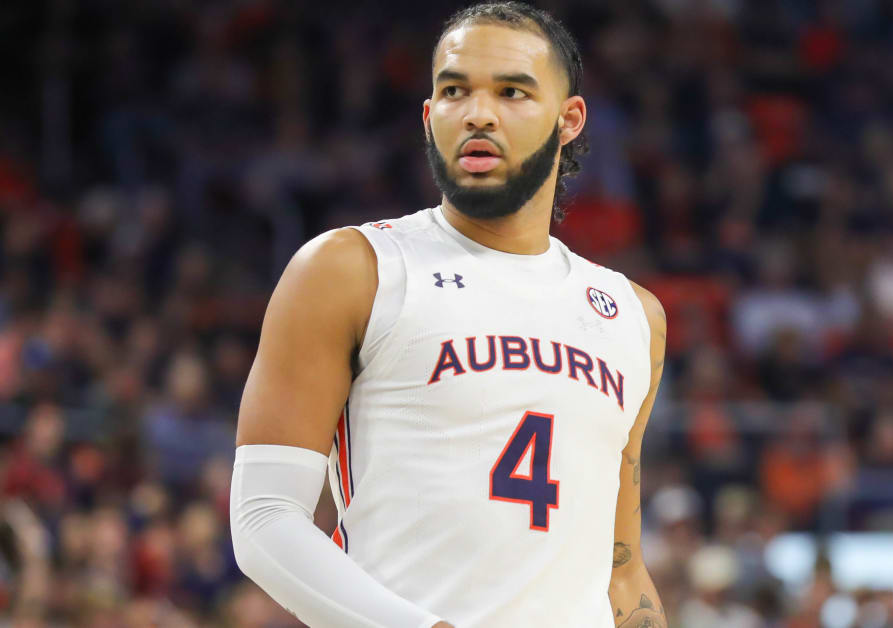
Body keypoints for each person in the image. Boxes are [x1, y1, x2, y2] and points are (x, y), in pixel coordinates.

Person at [228, 3, 667, 627]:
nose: (478, 113)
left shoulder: (631, 315)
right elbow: (264, 519)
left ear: (567, 120)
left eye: (513, 92)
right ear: (430, 116)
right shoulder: (353, 268)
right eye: (454, 91)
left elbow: (621, 570)